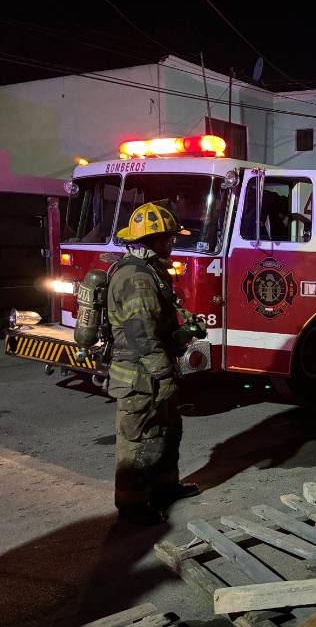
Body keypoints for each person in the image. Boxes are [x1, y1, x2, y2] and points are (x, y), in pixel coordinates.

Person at [107, 202, 201, 525]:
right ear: (149, 241)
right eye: (167, 239)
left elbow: (158, 327)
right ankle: (132, 510)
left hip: (151, 373)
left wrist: (184, 332)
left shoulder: (149, 272)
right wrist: (165, 374)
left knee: (167, 431)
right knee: (138, 442)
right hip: (139, 377)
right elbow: (142, 334)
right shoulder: (137, 279)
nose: (172, 244)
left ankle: (164, 490)